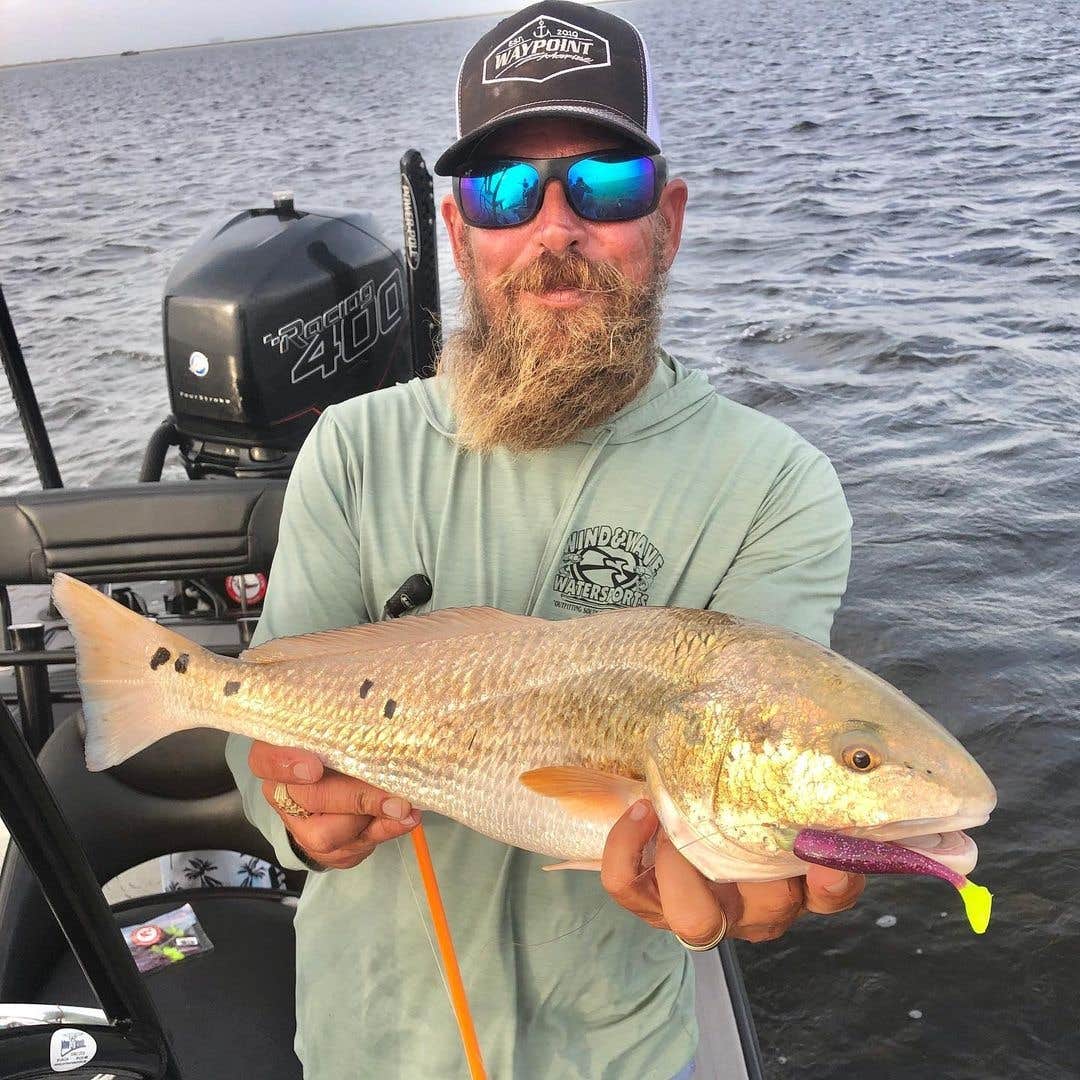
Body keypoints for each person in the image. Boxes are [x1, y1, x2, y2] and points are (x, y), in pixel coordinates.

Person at [225, 2, 864, 1076]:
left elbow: (759, 777)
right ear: (461, 233)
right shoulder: (351, 448)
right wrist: (295, 811)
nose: (554, 230)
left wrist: (746, 881)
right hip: (364, 1038)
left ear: (669, 217)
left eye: (604, 185)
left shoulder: (776, 488)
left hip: (612, 1054)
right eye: (505, 190)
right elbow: (263, 734)